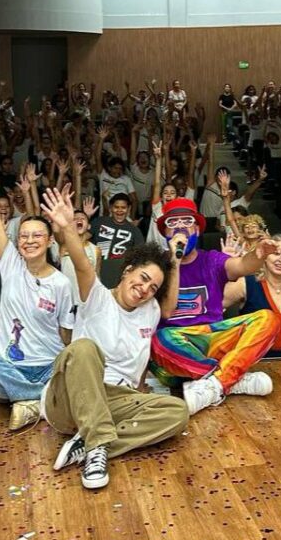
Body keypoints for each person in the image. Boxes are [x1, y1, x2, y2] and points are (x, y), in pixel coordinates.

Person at [40, 187, 188, 491]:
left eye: (152, 287)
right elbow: (82, 263)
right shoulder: (96, 298)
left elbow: (168, 308)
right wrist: (68, 228)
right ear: (127, 271)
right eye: (143, 278)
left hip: (117, 401)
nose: (145, 289)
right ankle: (97, 441)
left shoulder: (149, 310)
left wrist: (173, 261)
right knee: (82, 348)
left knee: (177, 413)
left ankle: (96, 445)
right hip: (70, 400)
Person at [0, 133, 76, 430]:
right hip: (10, 366)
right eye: (24, 236)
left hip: (47, 366)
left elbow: (65, 336)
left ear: (49, 241)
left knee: (73, 367)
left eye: (37, 235)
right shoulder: (11, 264)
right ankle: (42, 400)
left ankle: (27, 400)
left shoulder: (61, 283)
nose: (29, 240)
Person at [149, 198, 281, 416]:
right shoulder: (156, 266)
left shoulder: (211, 260)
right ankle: (233, 379)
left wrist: (257, 256)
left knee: (268, 319)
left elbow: (240, 265)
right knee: (159, 341)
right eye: (173, 223)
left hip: (213, 338)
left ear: (198, 229)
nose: (180, 227)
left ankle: (215, 384)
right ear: (165, 232)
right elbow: (166, 312)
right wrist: (174, 261)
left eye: (187, 221)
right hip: (175, 350)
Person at [91, 193, 144, 260]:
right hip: (94, 266)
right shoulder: (99, 222)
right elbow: (83, 238)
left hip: (121, 268)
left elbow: (141, 255)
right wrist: (87, 216)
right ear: (110, 208)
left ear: (129, 209)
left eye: (123, 207)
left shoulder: (135, 230)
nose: (119, 211)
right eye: (116, 207)